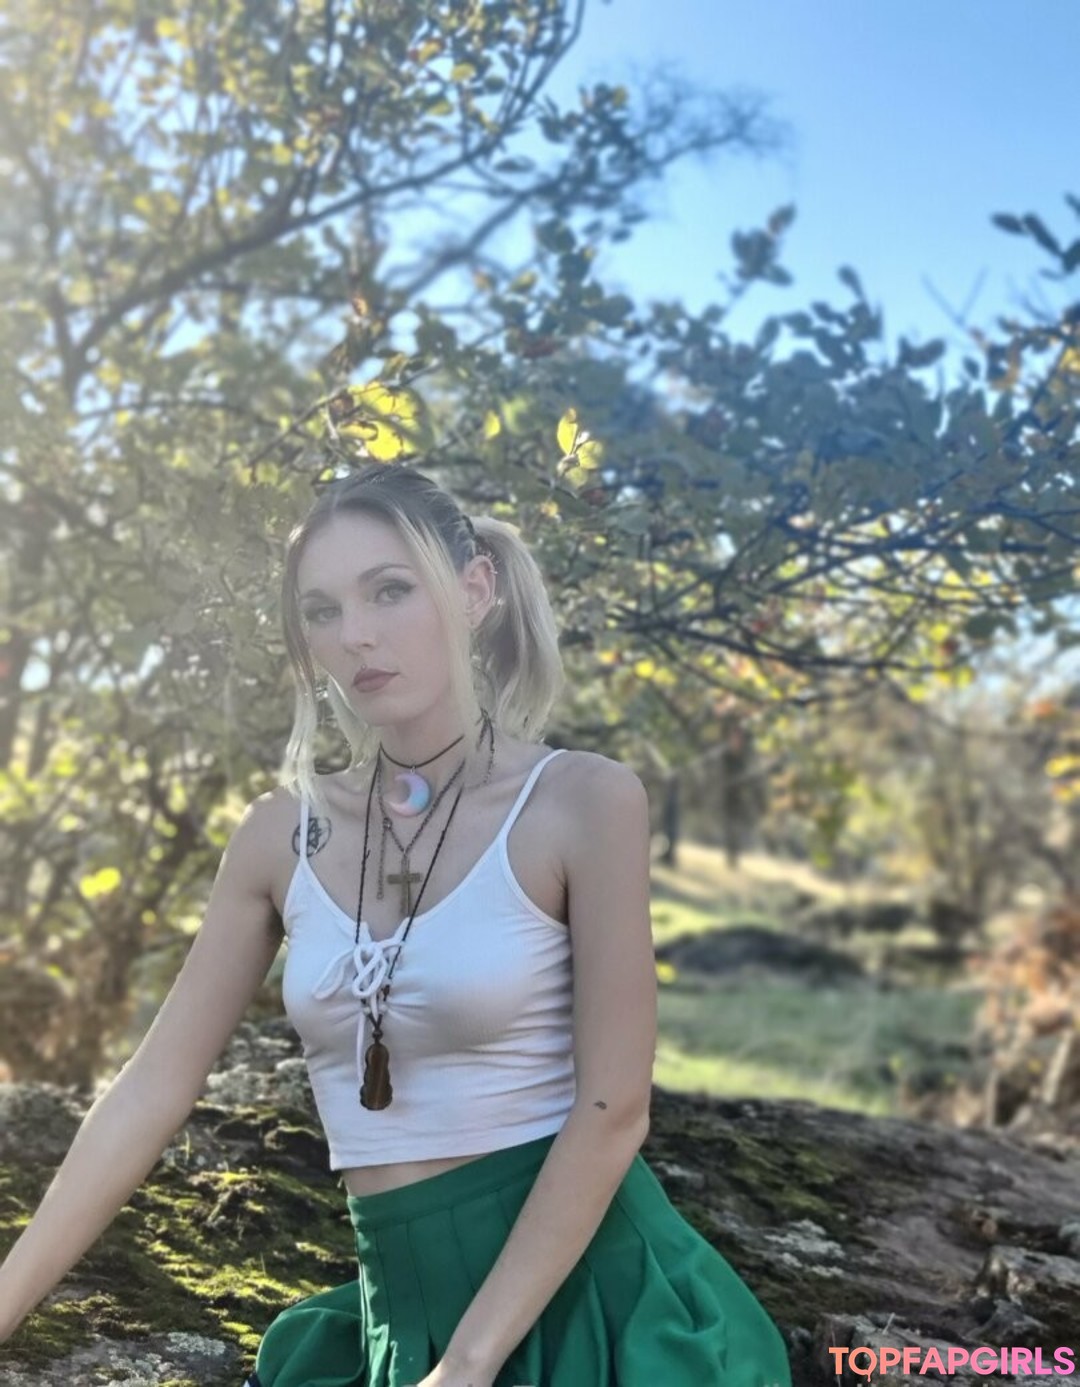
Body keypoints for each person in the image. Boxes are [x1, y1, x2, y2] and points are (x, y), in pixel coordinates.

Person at [0, 464, 793, 1387]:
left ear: (475, 590)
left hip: (592, 1303)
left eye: (389, 590)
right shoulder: (278, 834)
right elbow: (150, 1091)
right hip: (402, 1312)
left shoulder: (581, 801)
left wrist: (468, 1363)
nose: (356, 636)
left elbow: (614, 1111)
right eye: (323, 610)